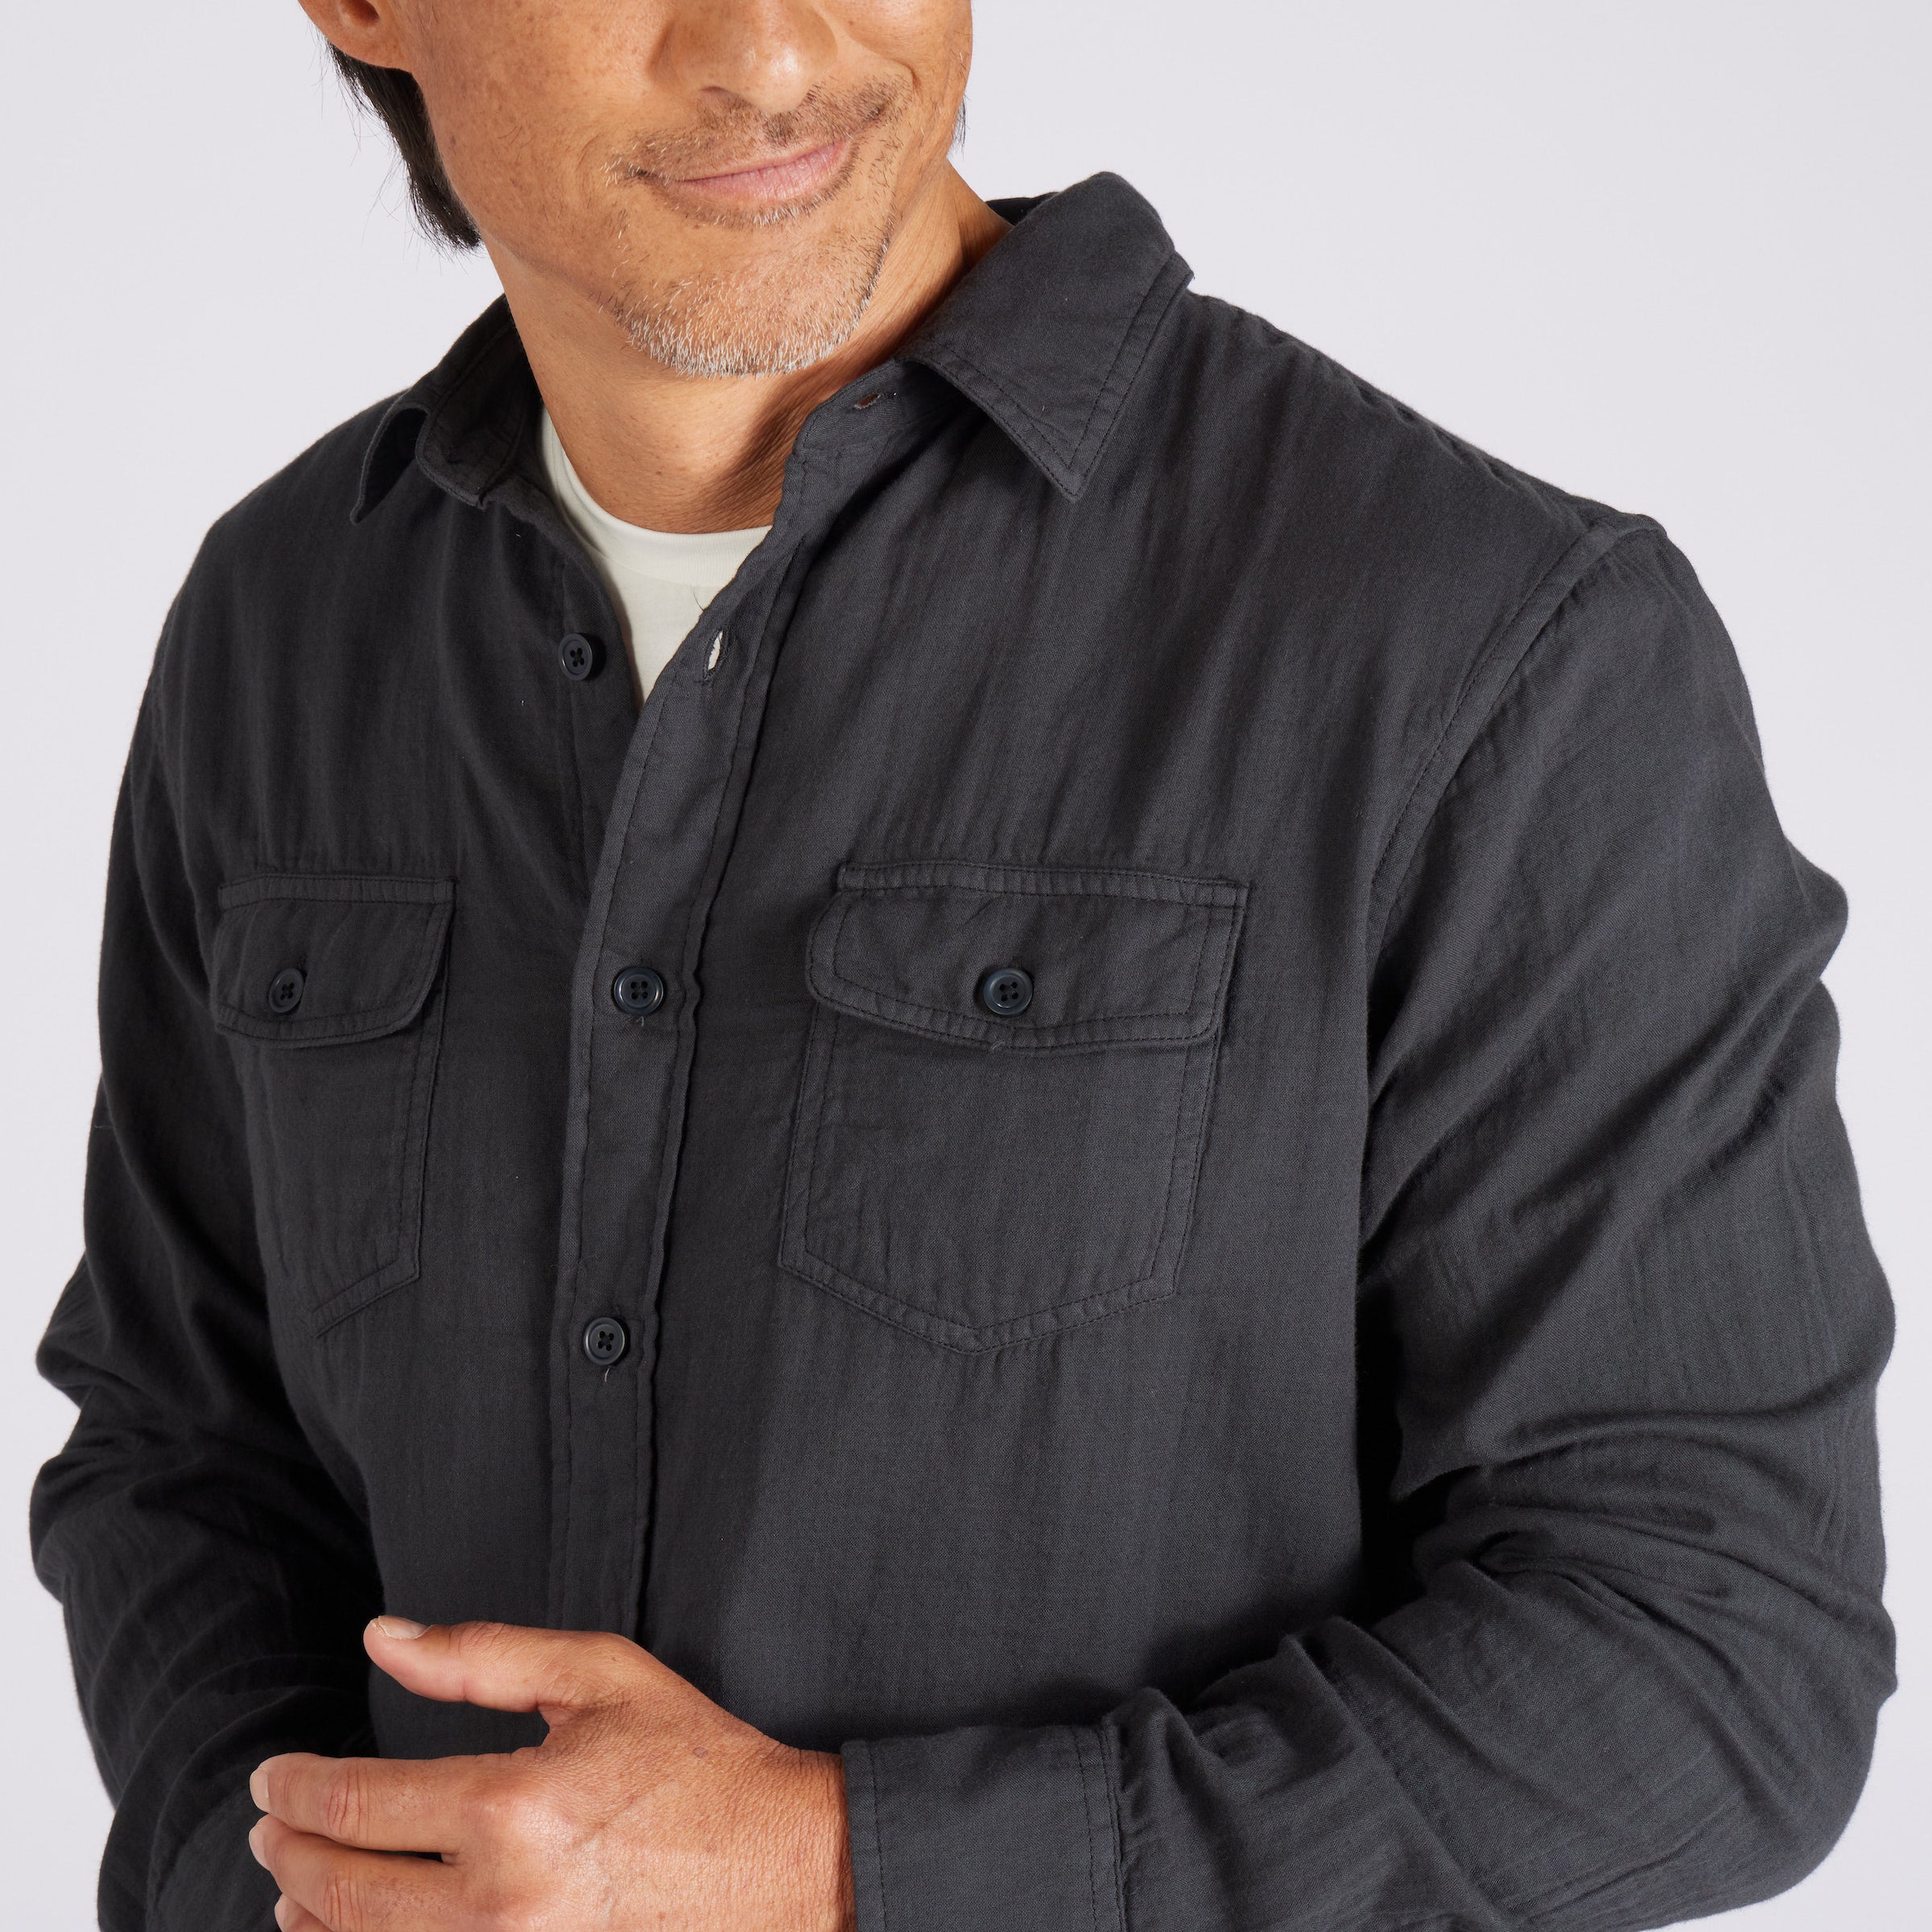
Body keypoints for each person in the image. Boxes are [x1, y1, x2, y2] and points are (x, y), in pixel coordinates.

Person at [30, 2, 1895, 1929]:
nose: (773, 49)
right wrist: (265, 1888)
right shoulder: (286, 625)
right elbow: (184, 1450)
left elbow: (1717, 1657)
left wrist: (843, 1866)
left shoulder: (1485, 642)